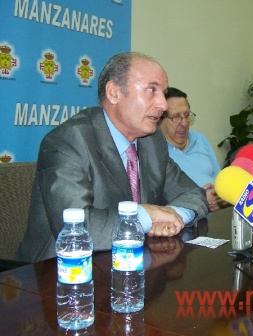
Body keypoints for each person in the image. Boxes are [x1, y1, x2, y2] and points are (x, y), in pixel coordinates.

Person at [16, 52, 208, 263]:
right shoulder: (68, 140)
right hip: (59, 274)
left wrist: (172, 215)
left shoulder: (151, 142)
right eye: (151, 90)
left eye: (163, 93)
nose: (163, 105)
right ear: (114, 93)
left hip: (129, 265)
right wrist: (147, 216)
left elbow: (193, 194)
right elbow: (76, 228)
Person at [158, 87, 228, 212]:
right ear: (159, 119)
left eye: (186, 115)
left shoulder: (199, 139)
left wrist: (221, 196)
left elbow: (219, 179)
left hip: (216, 215)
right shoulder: (155, 150)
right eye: (176, 117)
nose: (184, 123)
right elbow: (158, 199)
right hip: (185, 219)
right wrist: (199, 200)